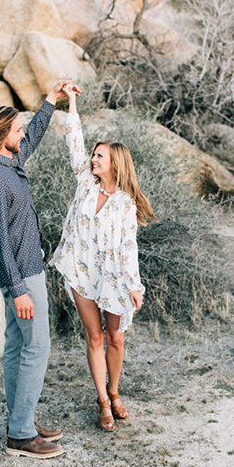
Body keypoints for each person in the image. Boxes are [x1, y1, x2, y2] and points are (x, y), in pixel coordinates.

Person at [0, 80, 80, 459]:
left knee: (17, 347)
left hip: (25, 272)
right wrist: (18, 289)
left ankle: (22, 419)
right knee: (36, 347)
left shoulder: (8, 160)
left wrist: (50, 101)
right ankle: (20, 435)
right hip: (23, 276)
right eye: (16, 129)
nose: (23, 134)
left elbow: (33, 136)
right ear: (1, 136)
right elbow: (0, 242)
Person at [50, 84, 156, 432]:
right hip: (81, 270)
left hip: (112, 277)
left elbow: (129, 248)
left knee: (116, 338)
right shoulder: (85, 183)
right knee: (93, 337)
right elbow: (73, 140)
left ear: (114, 164)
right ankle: (103, 402)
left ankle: (115, 390)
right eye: (93, 155)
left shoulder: (126, 203)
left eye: (99, 157)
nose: (93, 160)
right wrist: (72, 102)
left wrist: (135, 286)